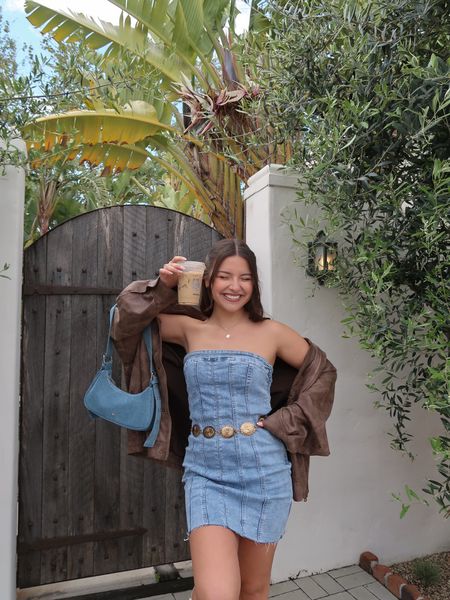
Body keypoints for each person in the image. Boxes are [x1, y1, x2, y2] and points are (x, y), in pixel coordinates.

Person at [111, 238, 337, 600]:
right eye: (225, 277)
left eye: (245, 278)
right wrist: (162, 286)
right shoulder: (188, 329)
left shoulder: (272, 332)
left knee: (252, 589)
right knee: (216, 592)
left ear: (254, 284)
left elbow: (323, 372)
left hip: (265, 473)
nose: (235, 287)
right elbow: (125, 324)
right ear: (207, 281)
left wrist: (288, 420)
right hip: (206, 473)